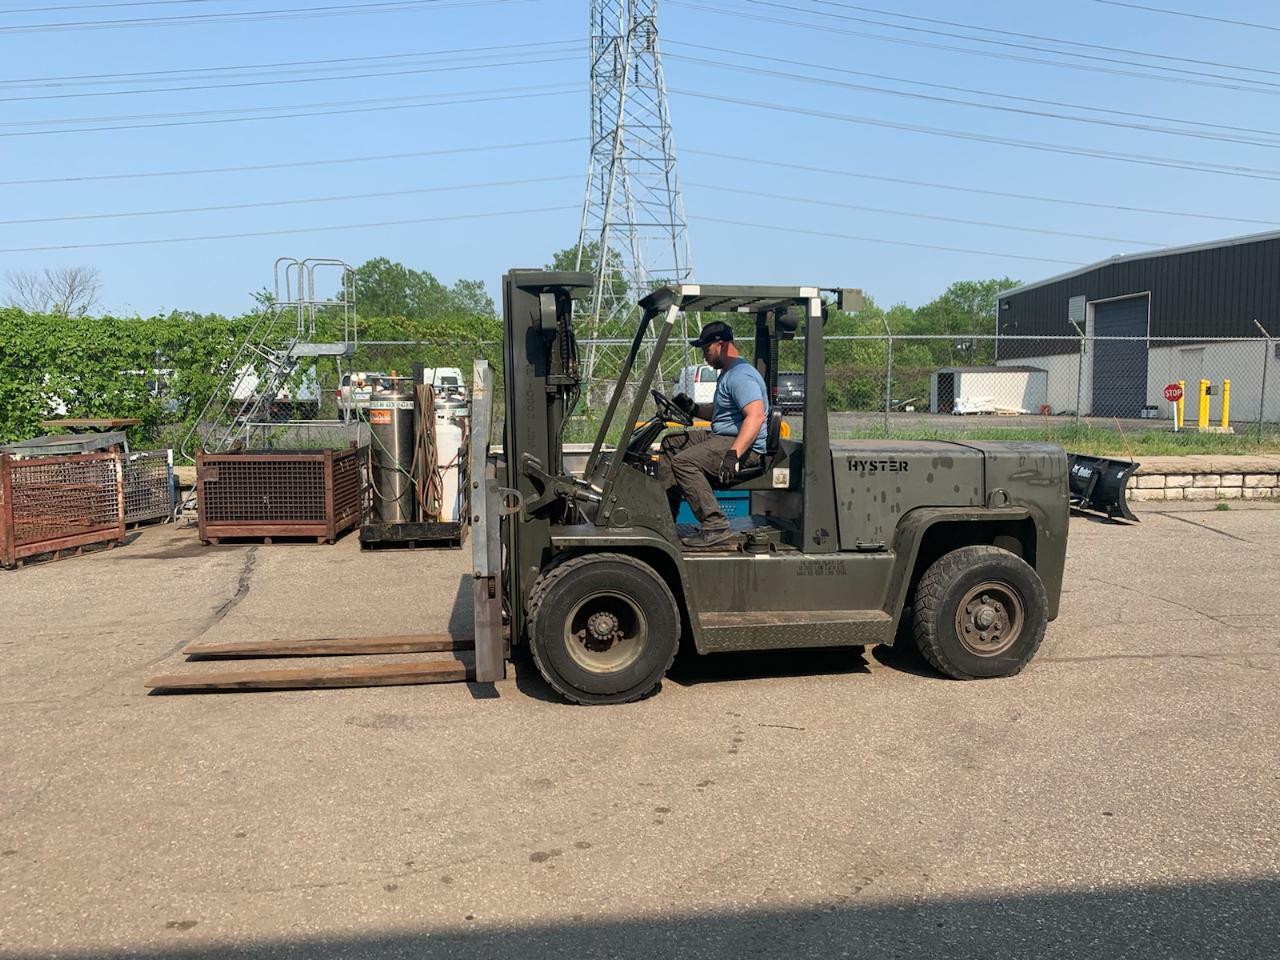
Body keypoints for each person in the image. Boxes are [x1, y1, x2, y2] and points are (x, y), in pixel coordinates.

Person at [656, 319, 769, 547]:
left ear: (721, 344)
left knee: (683, 462)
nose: (704, 356)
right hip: (723, 437)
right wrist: (693, 409)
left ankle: (714, 523)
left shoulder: (741, 375)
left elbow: (755, 416)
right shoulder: (727, 373)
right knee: (671, 444)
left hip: (742, 445)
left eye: (706, 350)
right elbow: (722, 416)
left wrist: (733, 455)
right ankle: (665, 520)